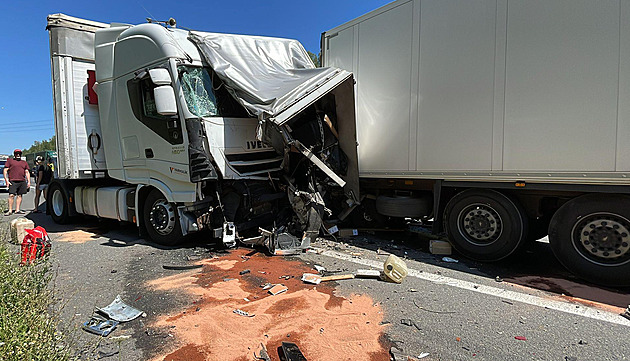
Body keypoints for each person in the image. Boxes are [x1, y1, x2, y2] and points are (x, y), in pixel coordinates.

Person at [3, 149, 31, 215]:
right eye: (16, 153)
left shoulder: (24, 162)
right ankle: (10, 210)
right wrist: (6, 180)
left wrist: (29, 181)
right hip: (13, 181)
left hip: (22, 181)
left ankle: (17, 210)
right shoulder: (10, 161)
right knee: (11, 195)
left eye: (19, 154)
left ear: (21, 154)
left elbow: (27, 172)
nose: (18, 155)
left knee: (20, 195)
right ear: (14, 154)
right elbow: (5, 170)